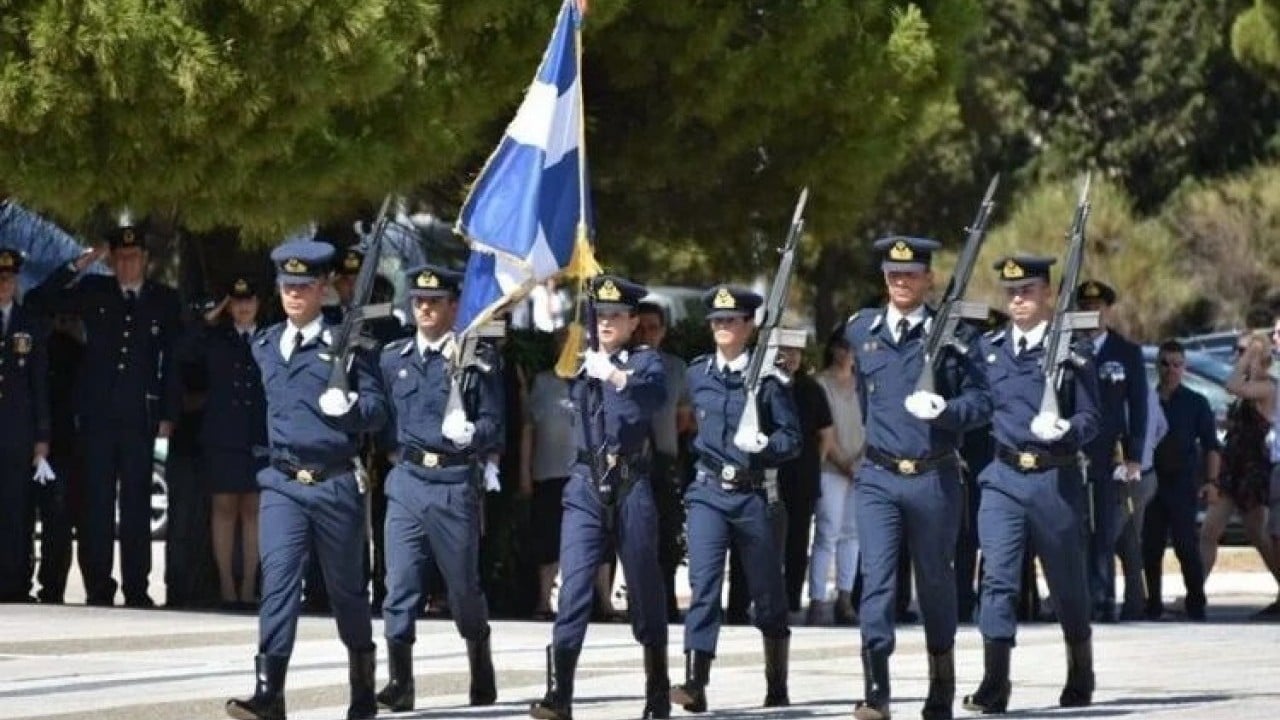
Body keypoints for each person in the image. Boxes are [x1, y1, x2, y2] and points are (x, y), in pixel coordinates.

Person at [225, 239, 387, 720]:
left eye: (304, 286)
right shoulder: (265, 345)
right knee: (277, 582)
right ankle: (268, 692)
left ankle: (362, 687)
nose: (294, 294)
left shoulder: (350, 345)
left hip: (334, 483)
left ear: (322, 289)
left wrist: (352, 408)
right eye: (287, 286)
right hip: (281, 483)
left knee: (346, 592)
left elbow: (378, 412)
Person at [842, 237, 991, 720]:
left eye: (910, 275)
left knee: (935, 583)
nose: (900, 282)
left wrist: (946, 410)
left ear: (928, 278)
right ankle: (875, 691)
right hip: (880, 476)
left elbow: (981, 403)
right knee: (878, 583)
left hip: (934, 477)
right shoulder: (862, 331)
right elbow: (867, 403)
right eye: (892, 275)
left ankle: (940, 687)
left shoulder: (955, 337)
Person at [964, 255, 1100, 713]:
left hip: (1054, 479)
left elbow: (1092, 416)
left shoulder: (1073, 351)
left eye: (1027, 290)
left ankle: (1081, 671)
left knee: (1066, 585)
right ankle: (994, 683)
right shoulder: (991, 349)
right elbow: (979, 404)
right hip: (1002, 478)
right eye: (1011, 292)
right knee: (997, 580)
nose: (1018, 299)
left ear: (1046, 294)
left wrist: (1067, 430)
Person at [531, 275, 671, 720]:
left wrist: (614, 376)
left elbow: (646, 404)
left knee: (645, 586)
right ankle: (561, 695)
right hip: (585, 482)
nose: (607, 322)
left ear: (633, 322)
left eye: (616, 315)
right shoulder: (580, 360)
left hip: (631, 481)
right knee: (573, 586)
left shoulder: (646, 364)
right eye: (601, 314)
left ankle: (657, 690)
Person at [29, 221, 182, 607]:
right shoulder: (95, 291)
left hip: (138, 416)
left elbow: (173, 360)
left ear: (145, 260)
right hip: (96, 415)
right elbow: (39, 301)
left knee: (135, 505)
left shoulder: (163, 299)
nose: (127, 265)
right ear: (112, 261)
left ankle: (137, 587)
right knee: (96, 504)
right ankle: (99, 585)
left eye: (134, 258)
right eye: (120, 258)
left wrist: (167, 412)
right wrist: (79, 264)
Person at [374, 264, 501, 711]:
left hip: (453, 483)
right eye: (418, 301)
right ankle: (399, 682)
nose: (424, 308)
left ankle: (480, 658)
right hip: (408, 481)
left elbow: (495, 423)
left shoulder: (477, 359)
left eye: (434, 301)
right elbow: (383, 416)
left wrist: (473, 433)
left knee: (463, 588)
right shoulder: (394, 358)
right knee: (401, 582)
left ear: (453, 306)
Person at [669, 284, 800, 713]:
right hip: (708, 492)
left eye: (730, 320)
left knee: (766, 594)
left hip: (754, 495)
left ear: (749, 325)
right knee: (703, 586)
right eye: (716, 321)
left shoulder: (770, 379)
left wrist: (764, 444)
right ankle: (694, 682)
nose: (722, 327)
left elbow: (792, 439)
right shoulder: (698, 373)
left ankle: (776, 681)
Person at [187, 277, 267, 610]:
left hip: (259, 435)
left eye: (248, 300)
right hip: (222, 435)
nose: (243, 307)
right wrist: (210, 317)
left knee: (253, 511)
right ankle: (225, 585)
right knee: (223, 510)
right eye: (236, 301)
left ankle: (249, 584)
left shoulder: (269, 337)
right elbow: (186, 350)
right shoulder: (214, 338)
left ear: (259, 303)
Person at [1074, 280, 1148, 622]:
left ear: (1107, 310)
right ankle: (1080, 599)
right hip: (1074, 451)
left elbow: (1139, 407)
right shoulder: (1068, 348)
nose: (1092, 312)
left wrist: (1134, 456)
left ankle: (1104, 600)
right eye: (1086, 307)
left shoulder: (1125, 352)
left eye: (1097, 307)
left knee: (1105, 529)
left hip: (1110, 454)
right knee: (1076, 528)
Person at [1200, 331, 1280, 615]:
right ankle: (1195, 592)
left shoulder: (1268, 387)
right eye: (1238, 351)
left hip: (1253, 468)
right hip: (1233, 466)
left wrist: (1252, 354)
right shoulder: (1250, 386)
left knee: (1259, 535)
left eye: (1244, 351)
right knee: (1210, 530)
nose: (1239, 356)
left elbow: (1231, 384)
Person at [1145, 340, 1219, 620]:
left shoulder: (1196, 403)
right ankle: (1152, 604)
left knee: (1186, 546)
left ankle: (1196, 602)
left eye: (1176, 364)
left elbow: (1211, 445)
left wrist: (1212, 481)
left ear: (1184, 367)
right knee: (1150, 547)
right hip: (1153, 483)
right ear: (1157, 365)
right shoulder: (1148, 400)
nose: (1170, 370)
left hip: (1182, 483)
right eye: (1165, 363)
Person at [635, 301, 691, 623]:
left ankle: (666, 599)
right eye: (640, 327)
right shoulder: (620, 363)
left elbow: (684, 420)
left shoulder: (676, 368)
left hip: (664, 460)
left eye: (653, 328)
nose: (646, 334)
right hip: (631, 462)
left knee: (668, 535)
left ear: (663, 332)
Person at [0, 248, 51, 602]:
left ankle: (16, 581)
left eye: (8, 278)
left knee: (17, 509)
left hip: (18, 432)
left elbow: (39, 383)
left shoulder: (28, 323)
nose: (3, 284)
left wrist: (42, 436)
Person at [809, 327, 864, 626]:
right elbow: (823, 430)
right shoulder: (821, 383)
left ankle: (845, 597)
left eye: (852, 346)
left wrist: (860, 462)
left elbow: (873, 422)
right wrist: (844, 463)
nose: (847, 352)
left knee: (852, 533)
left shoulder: (864, 384)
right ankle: (818, 599)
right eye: (842, 345)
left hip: (862, 467)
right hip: (831, 467)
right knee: (827, 532)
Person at [521, 329, 577, 620]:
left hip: (586, 474)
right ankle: (544, 600)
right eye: (564, 343)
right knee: (547, 537)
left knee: (593, 539)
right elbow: (528, 428)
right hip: (549, 470)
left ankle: (600, 601)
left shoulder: (597, 377)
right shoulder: (542, 382)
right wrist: (524, 472)